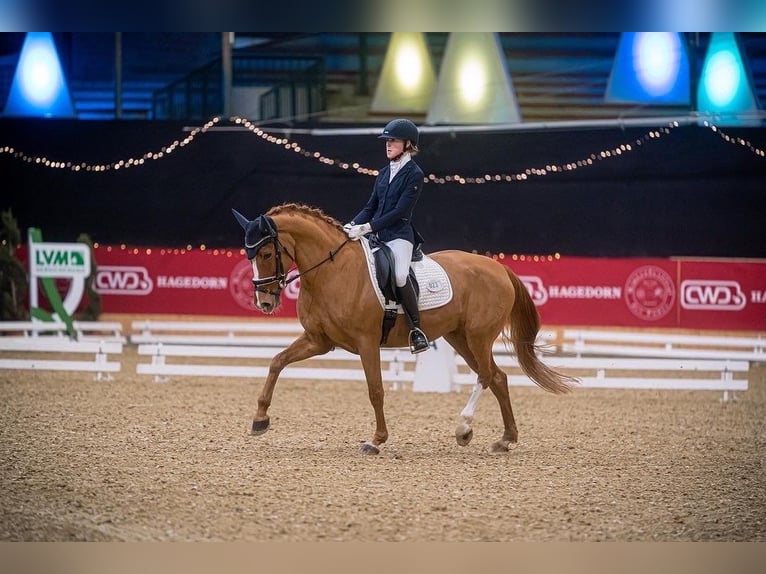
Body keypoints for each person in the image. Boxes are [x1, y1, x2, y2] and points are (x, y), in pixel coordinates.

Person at [343, 118, 430, 354]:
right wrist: (351, 224)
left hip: (399, 236)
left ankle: (416, 330)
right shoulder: (383, 173)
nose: (388, 145)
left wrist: (368, 227)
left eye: (393, 140)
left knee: (400, 276)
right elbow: (370, 206)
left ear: (408, 144)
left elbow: (400, 211)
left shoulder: (414, 174)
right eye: (387, 141)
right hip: (376, 235)